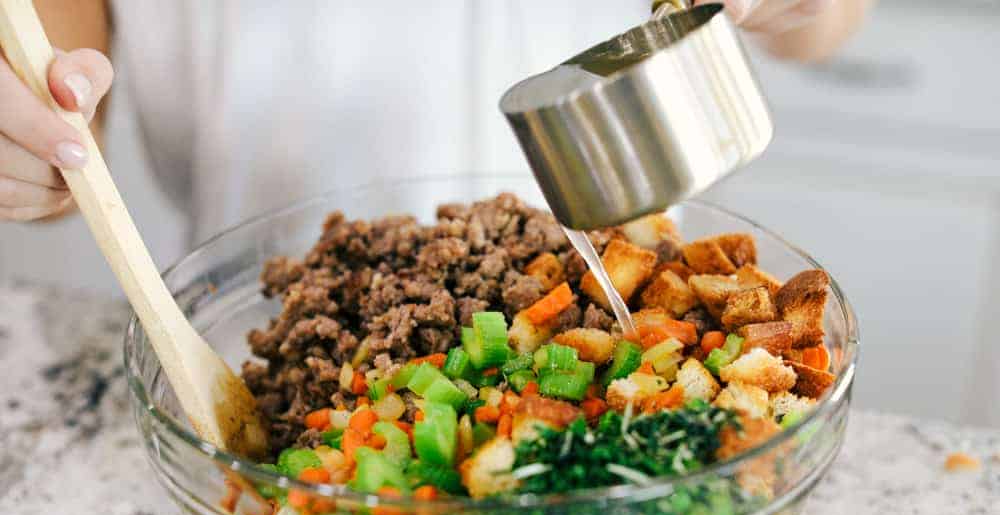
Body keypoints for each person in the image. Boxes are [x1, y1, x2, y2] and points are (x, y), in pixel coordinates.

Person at [0, 0, 870, 234]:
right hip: (259, 347)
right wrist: (34, 152)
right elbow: (60, 108)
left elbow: (832, 20)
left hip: (617, 324)